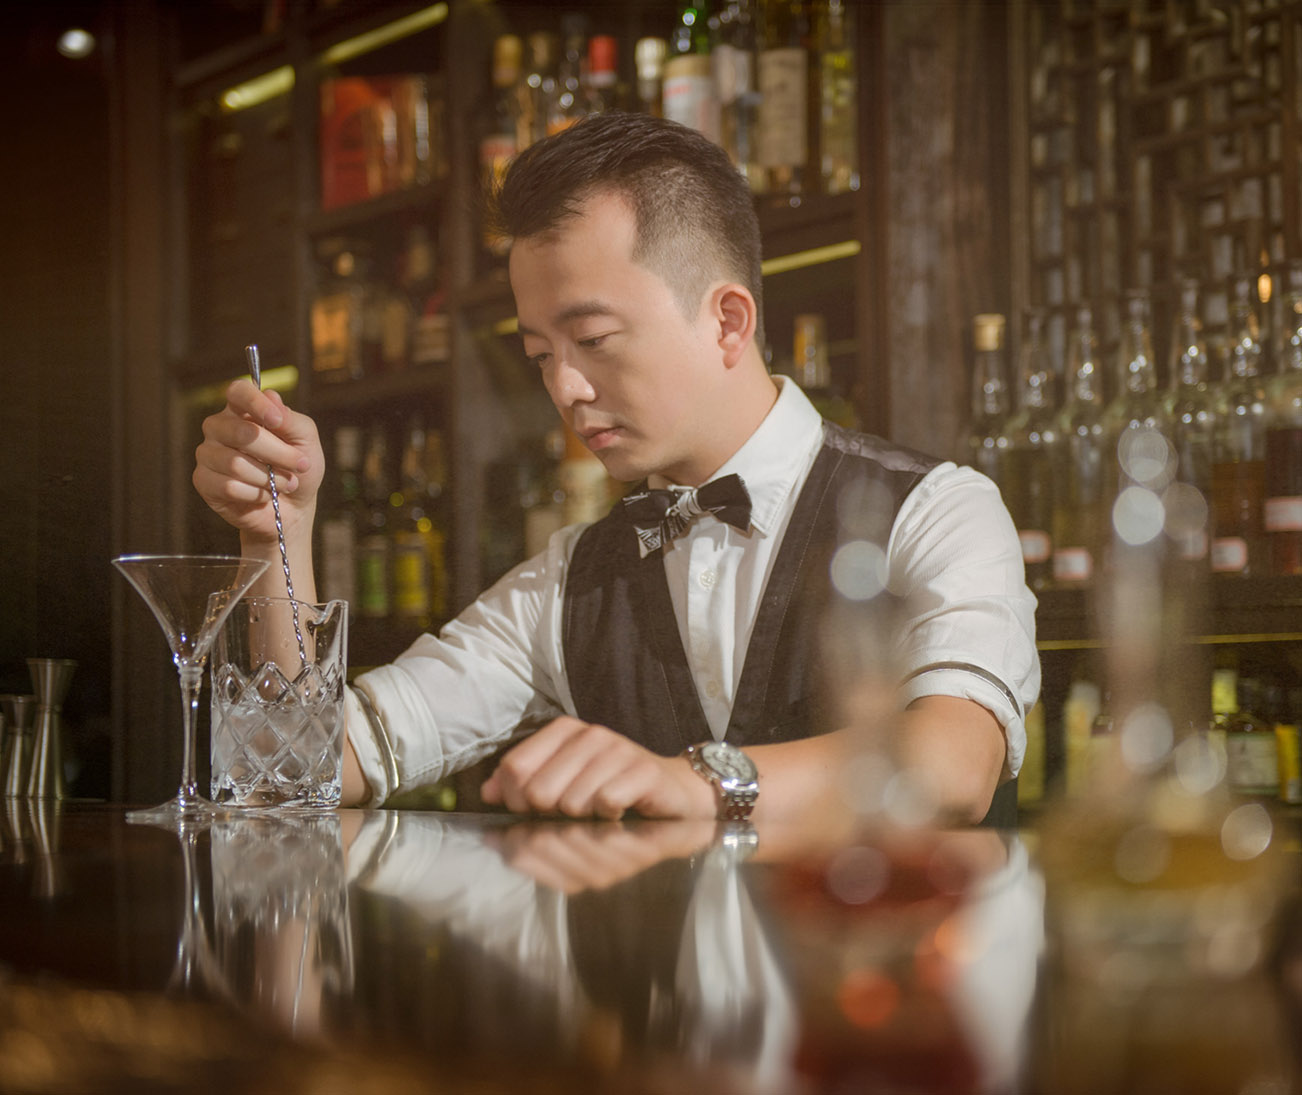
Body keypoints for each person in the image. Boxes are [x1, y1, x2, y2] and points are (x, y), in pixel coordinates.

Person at [194, 111, 1039, 828]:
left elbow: (952, 764)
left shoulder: (938, 511)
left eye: (594, 339)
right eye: (541, 354)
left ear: (728, 322)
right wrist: (276, 533)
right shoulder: (569, 582)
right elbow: (295, 769)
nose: (564, 388)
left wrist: (697, 783)